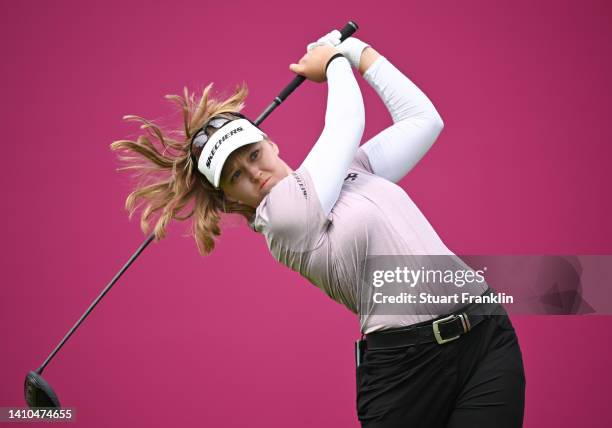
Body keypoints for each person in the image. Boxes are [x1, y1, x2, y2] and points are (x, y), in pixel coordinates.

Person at [111, 31, 526, 428]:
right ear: (229, 199)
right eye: (237, 175)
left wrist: (359, 52)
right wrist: (333, 61)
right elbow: (346, 122)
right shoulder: (283, 219)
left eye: (255, 154)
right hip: (406, 371)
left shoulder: (348, 170)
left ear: (270, 144)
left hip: (484, 334)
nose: (255, 173)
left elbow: (423, 121)